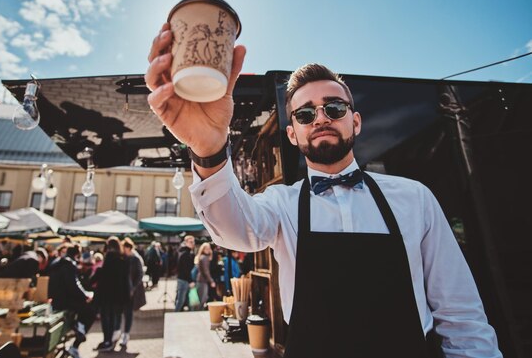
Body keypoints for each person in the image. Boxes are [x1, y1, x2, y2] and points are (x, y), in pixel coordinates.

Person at [145, 25, 502, 358]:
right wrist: (208, 149)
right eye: (304, 114)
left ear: (355, 121)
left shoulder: (415, 198)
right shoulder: (281, 204)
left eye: (333, 107)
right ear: (293, 134)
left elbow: (461, 315)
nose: (320, 118)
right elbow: (236, 231)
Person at [48, 244, 94, 358]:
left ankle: (78, 328)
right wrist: (85, 296)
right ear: (77, 254)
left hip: (56, 301)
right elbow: (73, 286)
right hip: (65, 302)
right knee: (91, 310)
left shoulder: (57, 263)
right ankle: (79, 329)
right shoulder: (69, 264)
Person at [93, 237, 129, 352]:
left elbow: (105, 277)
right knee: (114, 318)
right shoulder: (123, 259)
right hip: (118, 295)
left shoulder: (109, 258)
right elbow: (124, 279)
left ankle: (107, 340)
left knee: (106, 318)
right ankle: (111, 340)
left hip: (107, 294)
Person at [119, 237, 147, 347]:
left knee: (128, 313)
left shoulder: (135, 259)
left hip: (131, 291)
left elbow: (139, 274)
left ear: (128, 247)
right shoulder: (123, 258)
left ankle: (126, 334)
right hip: (124, 291)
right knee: (124, 312)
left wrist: (133, 288)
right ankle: (121, 333)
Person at [175, 235, 196, 312]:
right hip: (183, 280)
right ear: (186, 242)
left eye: (193, 242)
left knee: (188, 301)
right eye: (190, 242)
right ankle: (174, 317)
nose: (192, 243)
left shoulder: (188, 252)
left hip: (184, 279)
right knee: (181, 301)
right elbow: (184, 269)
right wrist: (190, 281)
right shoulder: (184, 253)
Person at [194, 242, 215, 309]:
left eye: (209, 248)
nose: (208, 250)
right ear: (203, 249)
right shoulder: (204, 258)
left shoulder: (202, 257)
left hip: (201, 280)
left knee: (202, 299)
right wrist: (211, 281)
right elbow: (206, 271)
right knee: (202, 300)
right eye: (206, 248)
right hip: (202, 281)